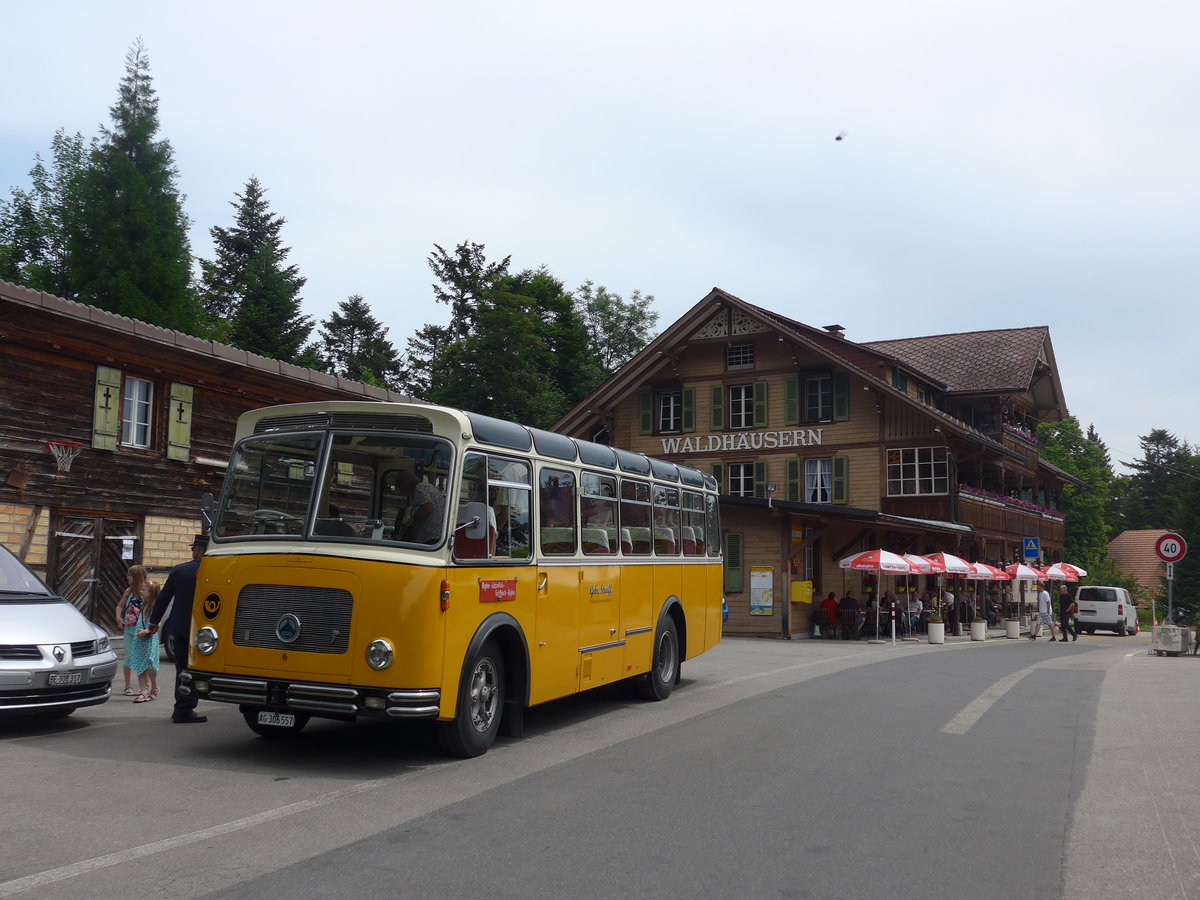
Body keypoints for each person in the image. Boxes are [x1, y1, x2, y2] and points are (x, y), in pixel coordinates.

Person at [146, 535, 209, 723]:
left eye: (193, 549)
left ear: (197, 550)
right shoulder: (215, 571)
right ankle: (186, 708)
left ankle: (182, 707)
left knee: (182, 668)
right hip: (205, 631)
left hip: (180, 628)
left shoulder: (179, 570)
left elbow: (163, 598)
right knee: (198, 669)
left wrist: (154, 622)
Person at [114, 565, 151, 696]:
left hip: (142, 630)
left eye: (129, 575)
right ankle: (128, 686)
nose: (127, 577)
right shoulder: (129, 591)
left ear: (135, 576)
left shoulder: (146, 590)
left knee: (144, 657)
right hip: (129, 630)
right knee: (129, 657)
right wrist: (118, 618)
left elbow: (152, 607)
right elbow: (119, 606)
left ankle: (146, 685)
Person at [129, 580, 161, 702]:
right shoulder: (143, 604)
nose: (140, 591)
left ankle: (154, 687)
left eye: (143, 590)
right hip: (140, 639)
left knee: (149, 664)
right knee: (140, 664)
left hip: (149, 639)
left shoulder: (155, 607)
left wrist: (146, 631)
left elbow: (157, 624)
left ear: (151, 593)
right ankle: (143, 691)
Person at [397, 470, 446, 543]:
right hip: (438, 533)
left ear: (405, 486)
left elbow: (428, 509)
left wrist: (413, 516)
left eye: (401, 490)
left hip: (430, 535)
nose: (402, 493)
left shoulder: (419, 489)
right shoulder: (426, 486)